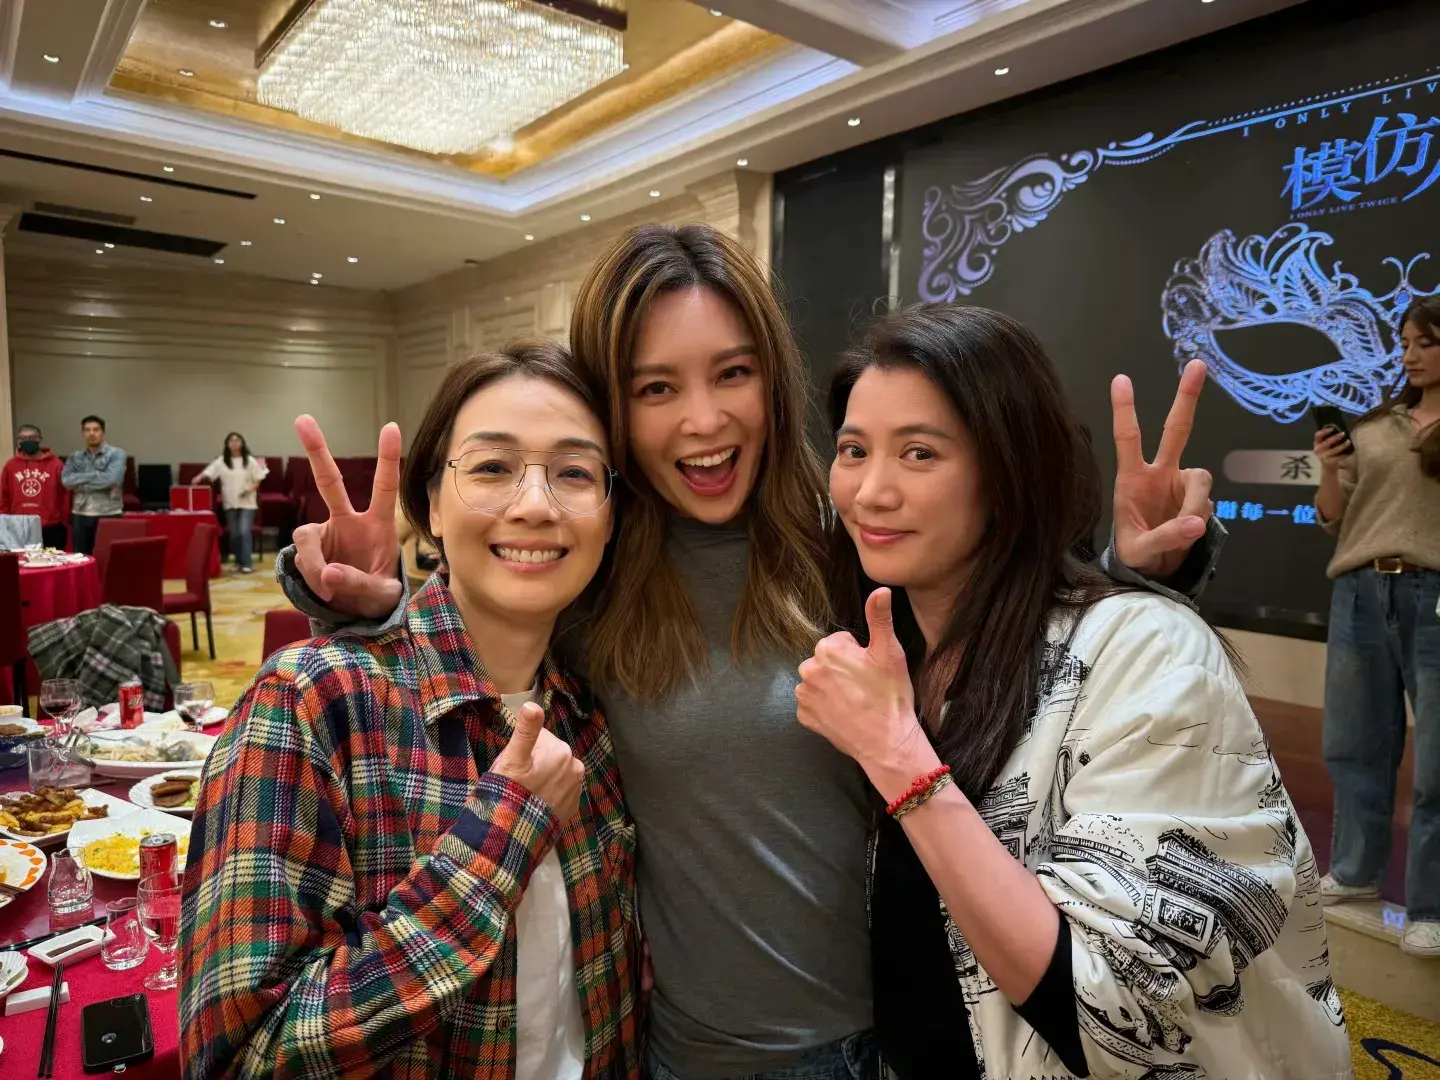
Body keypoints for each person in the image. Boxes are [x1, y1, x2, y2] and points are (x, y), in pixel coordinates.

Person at [272, 225, 1221, 1080]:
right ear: (613, 410)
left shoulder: (851, 544)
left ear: (773, 376)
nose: (704, 419)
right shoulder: (593, 576)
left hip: (918, 1033)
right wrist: (370, 604)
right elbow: (476, 651)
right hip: (683, 1049)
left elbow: (1012, 634)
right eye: (656, 388)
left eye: (733, 373)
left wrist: (1137, 571)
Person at [795, 303, 1352, 1079]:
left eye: (920, 453)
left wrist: (900, 760)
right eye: (855, 450)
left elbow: (1119, 1008)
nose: (871, 491)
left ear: (1007, 473)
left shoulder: (1148, 648)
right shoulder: (887, 651)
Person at [179, 343, 640, 1079]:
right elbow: (242, 1056)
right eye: (492, 468)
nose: (534, 504)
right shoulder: (314, 703)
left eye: (575, 473)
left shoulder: (592, 716)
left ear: (611, 517)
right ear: (430, 506)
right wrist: (502, 834)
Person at [1313, 295, 1440, 960]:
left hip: (1435, 591)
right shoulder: (1377, 425)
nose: (1410, 355)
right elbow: (1334, 516)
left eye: (1426, 342)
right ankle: (1356, 871)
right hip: (1360, 589)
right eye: (1406, 342)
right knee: (1354, 742)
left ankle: (1431, 906)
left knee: (1437, 762)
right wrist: (1329, 467)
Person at [196, 432, 269, 573]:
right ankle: (238, 561)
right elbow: (209, 471)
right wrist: (198, 478)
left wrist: (250, 488)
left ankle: (247, 563)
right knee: (234, 534)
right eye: (231, 441)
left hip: (247, 502)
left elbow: (259, 477)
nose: (234, 443)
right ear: (227, 444)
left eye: (237, 440)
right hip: (230, 502)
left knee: (244, 532)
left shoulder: (249, 460)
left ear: (242, 443)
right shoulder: (222, 461)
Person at [60, 414, 125, 555]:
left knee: (109, 557)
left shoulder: (117, 454)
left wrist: (80, 479)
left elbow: (112, 480)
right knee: (81, 558)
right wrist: (97, 475)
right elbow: (66, 481)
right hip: (80, 514)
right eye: (87, 430)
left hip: (109, 513)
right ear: (83, 433)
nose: (91, 433)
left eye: (96, 429)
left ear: (103, 432)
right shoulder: (75, 457)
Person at [0, 423, 68, 549]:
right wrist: (4, 520)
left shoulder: (56, 465)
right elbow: (4, 495)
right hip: (18, 526)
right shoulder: (10, 465)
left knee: (53, 559)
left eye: (32, 437)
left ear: (39, 439)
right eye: (23, 438)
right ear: (18, 441)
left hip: (51, 526)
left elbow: (65, 494)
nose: (27, 441)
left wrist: (64, 521)